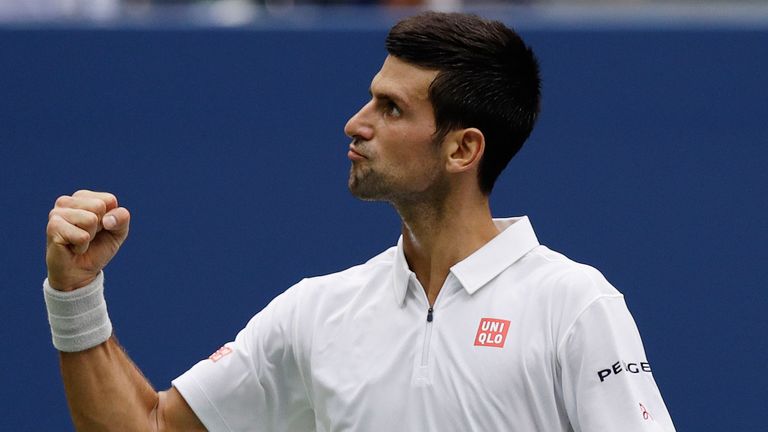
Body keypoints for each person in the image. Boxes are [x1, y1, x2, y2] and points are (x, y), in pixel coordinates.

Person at [43, 11, 676, 432]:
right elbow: (149, 427)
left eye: (391, 108)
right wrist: (75, 294)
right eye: (371, 97)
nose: (356, 123)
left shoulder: (575, 306)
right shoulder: (317, 313)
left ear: (462, 149)